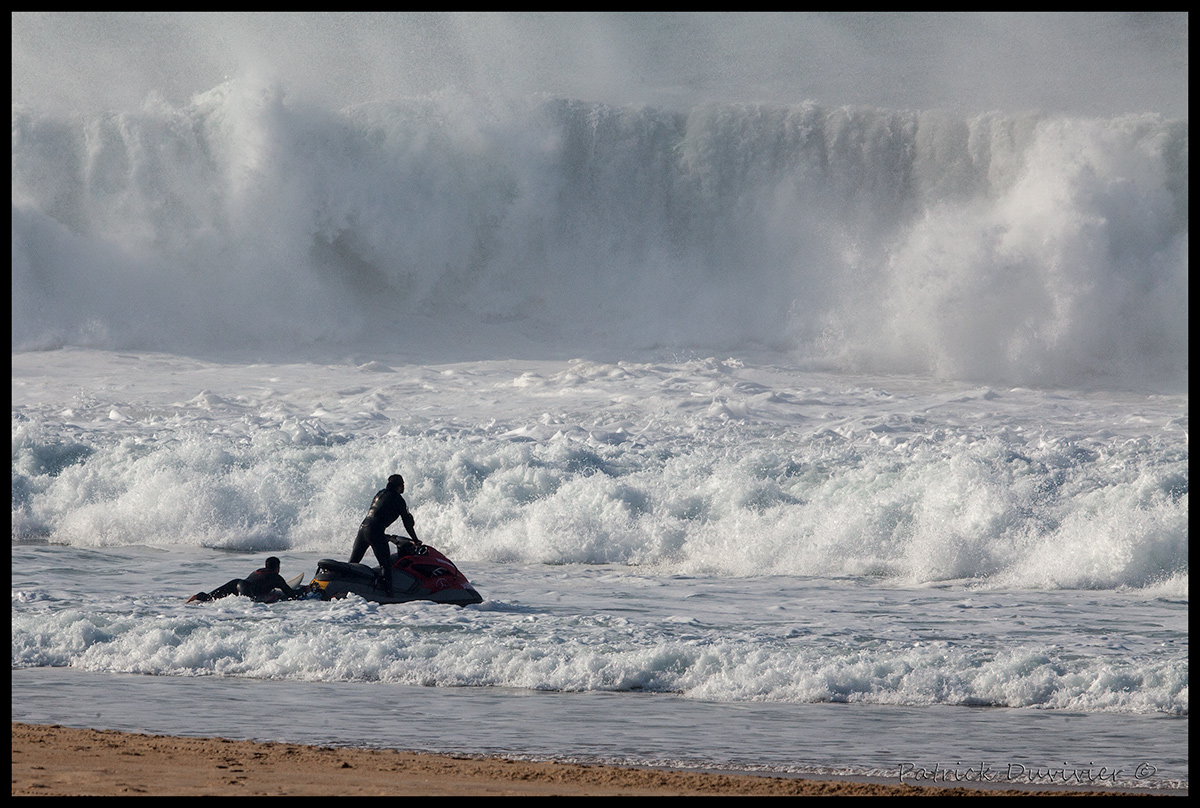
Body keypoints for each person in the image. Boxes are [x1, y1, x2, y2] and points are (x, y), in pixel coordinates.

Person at [350, 473, 421, 596]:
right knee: (386, 566)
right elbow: (407, 523)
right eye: (403, 484)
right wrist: (415, 539)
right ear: (399, 486)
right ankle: (389, 595)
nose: (404, 487)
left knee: (352, 564)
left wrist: (386, 536)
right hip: (375, 531)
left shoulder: (380, 494)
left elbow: (377, 515)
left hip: (363, 529)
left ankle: (341, 585)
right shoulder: (399, 500)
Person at [187, 556, 307, 603]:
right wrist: (306, 590)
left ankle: (195, 597)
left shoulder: (258, 571)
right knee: (247, 605)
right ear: (277, 568)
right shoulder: (276, 577)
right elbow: (291, 594)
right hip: (247, 589)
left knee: (210, 597)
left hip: (237, 583)